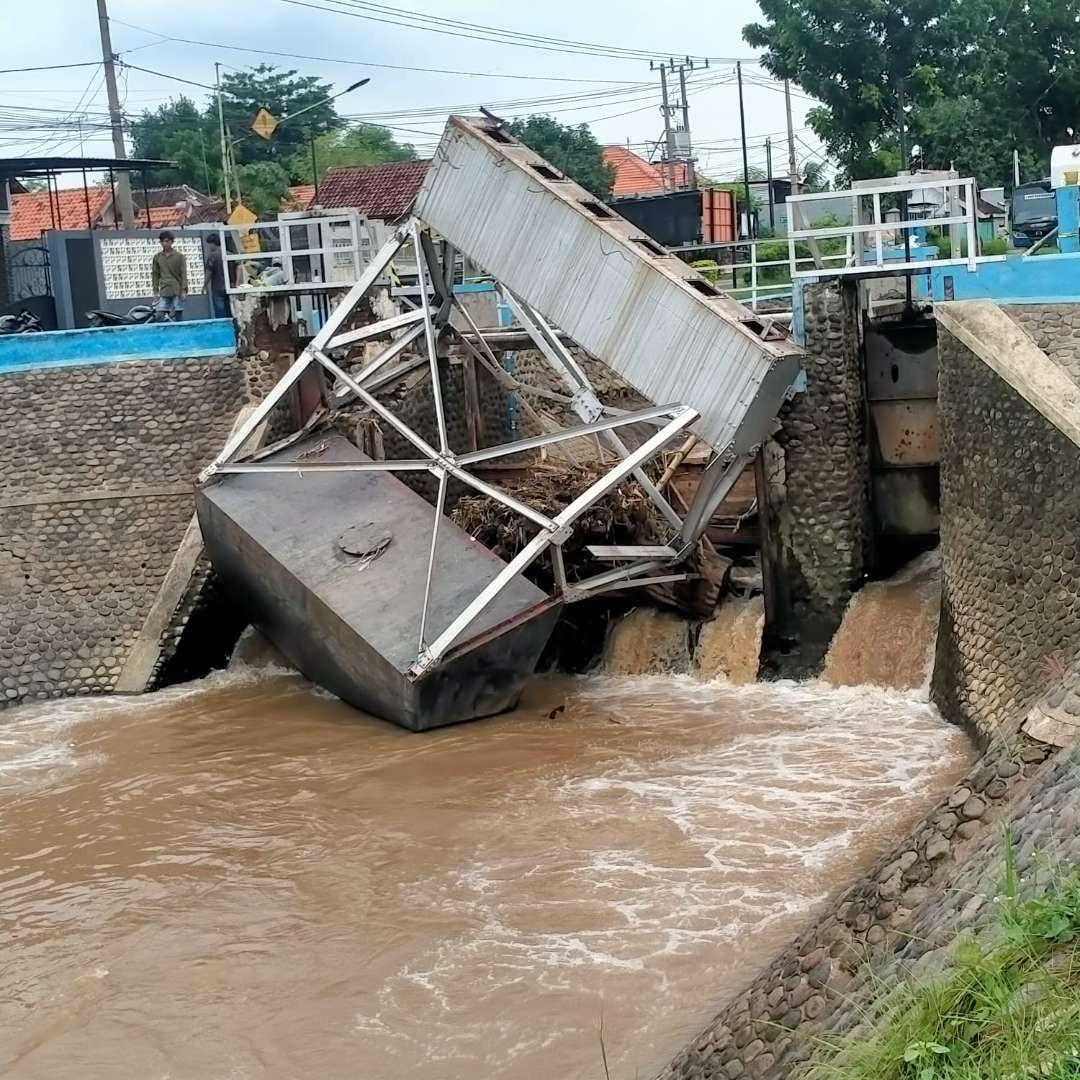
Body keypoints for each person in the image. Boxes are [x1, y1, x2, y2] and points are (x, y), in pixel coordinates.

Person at [151, 231, 187, 321]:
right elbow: (155, 274)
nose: (164, 244)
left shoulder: (179, 256)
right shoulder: (157, 257)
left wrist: (184, 290)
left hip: (176, 289)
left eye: (167, 241)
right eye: (162, 241)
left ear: (171, 242)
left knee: (178, 313)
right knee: (160, 314)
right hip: (164, 289)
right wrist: (155, 291)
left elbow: (183, 273)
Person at [203, 233, 230, 319]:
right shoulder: (230, 254)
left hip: (218, 287)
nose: (209, 247)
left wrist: (204, 285)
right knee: (230, 311)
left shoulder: (212, 256)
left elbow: (208, 272)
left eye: (209, 245)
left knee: (220, 313)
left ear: (213, 243)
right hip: (230, 287)